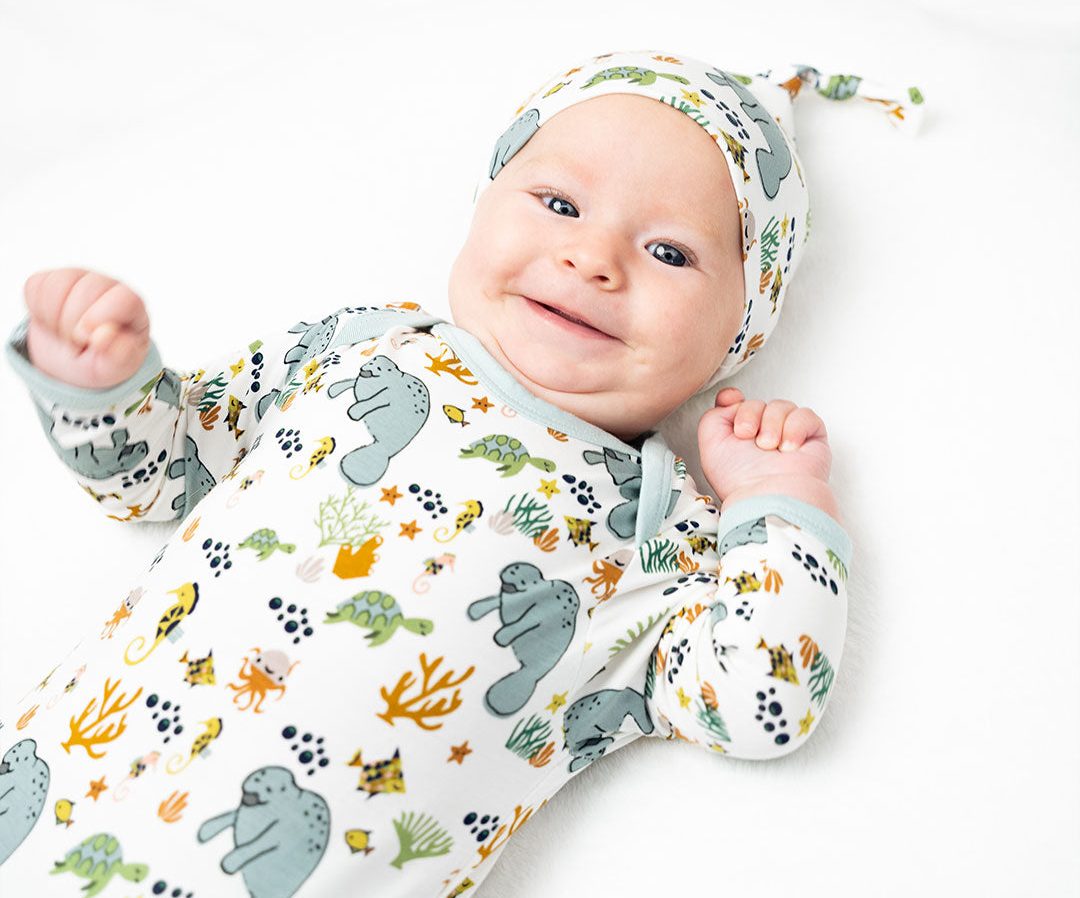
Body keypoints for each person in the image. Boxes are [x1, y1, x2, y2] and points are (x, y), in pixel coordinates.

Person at [0, 50, 918, 896]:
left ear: (739, 334)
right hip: (49, 804)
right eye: (559, 204)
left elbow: (758, 705)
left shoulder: (661, 527)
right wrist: (105, 386)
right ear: (483, 203)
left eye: (670, 252)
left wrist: (779, 505)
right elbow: (161, 471)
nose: (590, 259)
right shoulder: (361, 352)